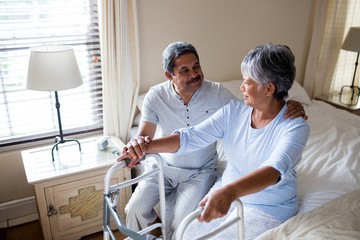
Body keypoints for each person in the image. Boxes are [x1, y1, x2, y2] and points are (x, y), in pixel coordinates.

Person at [120, 42, 307, 239]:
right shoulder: (234, 111)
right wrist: (142, 147)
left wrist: (229, 192)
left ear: (269, 88)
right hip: (226, 191)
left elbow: (273, 171)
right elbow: (190, 137)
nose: (241, 87)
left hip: (265, 207)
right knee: (184, 234)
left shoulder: (294, 127)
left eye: (247, 81)